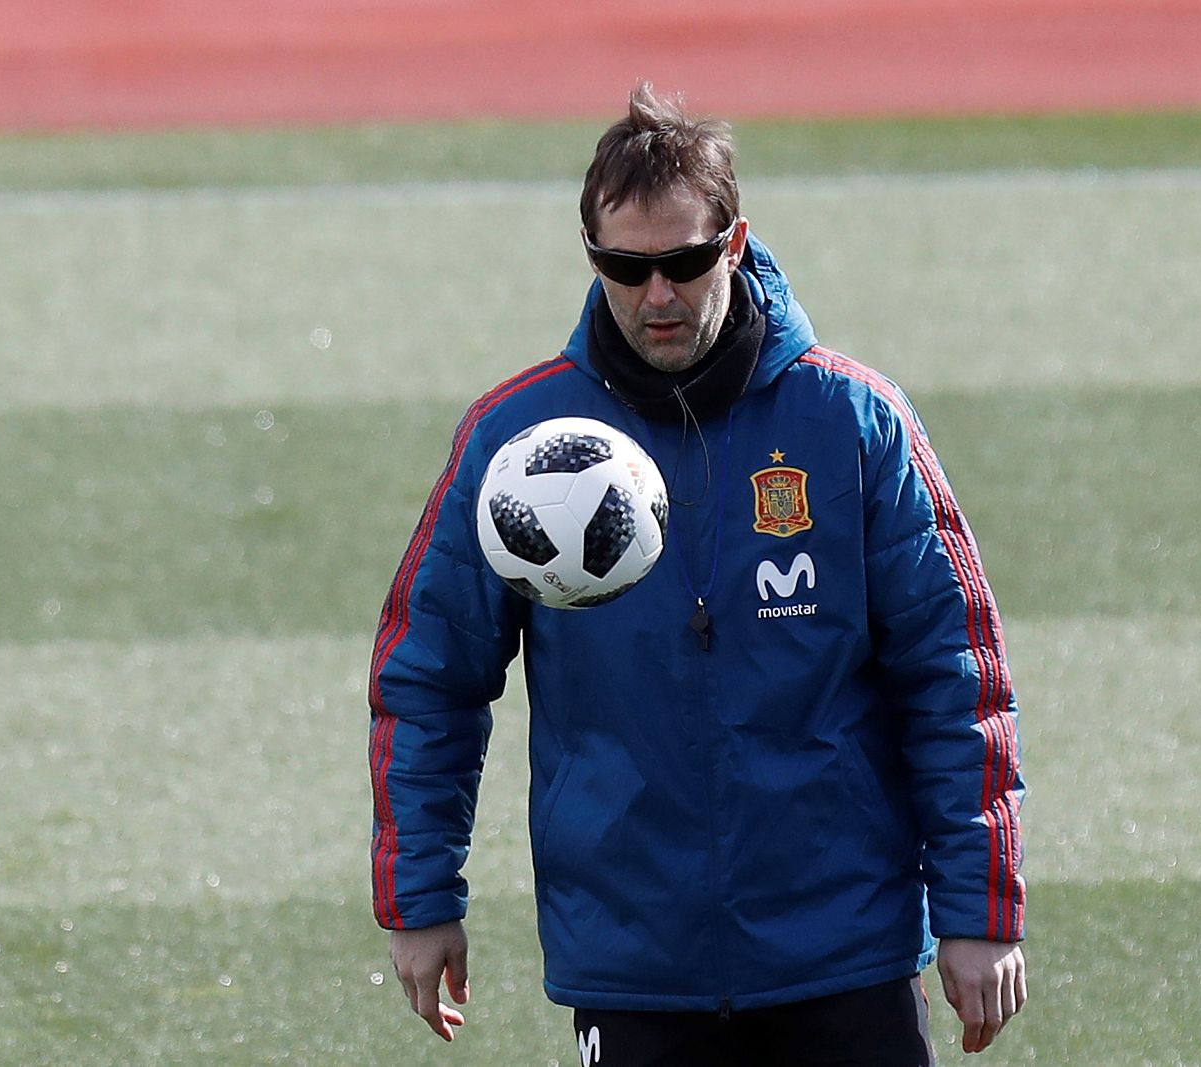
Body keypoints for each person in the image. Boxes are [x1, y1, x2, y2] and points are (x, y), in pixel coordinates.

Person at [369, 82, 1026, 1065]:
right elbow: (427, 679)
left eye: (683, 261)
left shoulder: (853, 424)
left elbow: (957, 676)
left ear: (735, 239)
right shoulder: (517, 443)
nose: (657, 295)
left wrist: (980, 908)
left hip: (841, 948)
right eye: (624, 268)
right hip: (633, 956)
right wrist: (420, 896)